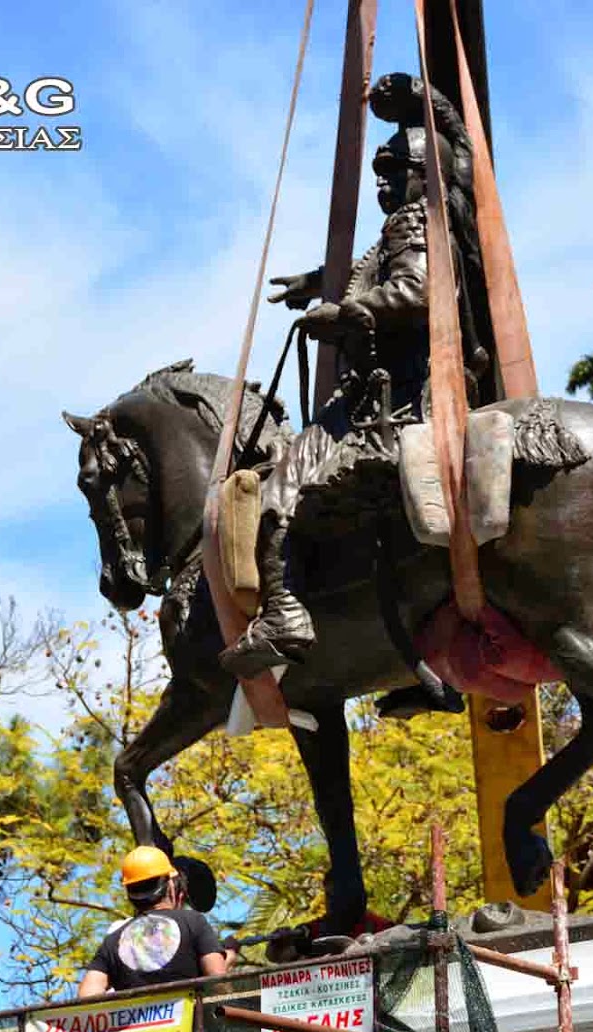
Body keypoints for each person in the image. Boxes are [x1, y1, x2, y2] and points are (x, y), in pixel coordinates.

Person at [218, 72, 490, 680]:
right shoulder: (428, 218)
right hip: (400, 385)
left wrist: (348, 311)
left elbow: (416, 289)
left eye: (393, 173)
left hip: (392, 396)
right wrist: (320, 284)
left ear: (425, 175)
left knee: (279, 486)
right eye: (378, 176)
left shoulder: (415, 219)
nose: (383, 185)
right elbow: (380, 272)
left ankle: (284, 611)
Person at [76, 846, 233, 998]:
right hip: (189, 1023)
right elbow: (218, 982)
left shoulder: (113, 940)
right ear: (170, 885)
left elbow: (87, 996)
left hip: (137, 1026)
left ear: (130, 894)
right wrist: (229, 957)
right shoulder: (193, 922)